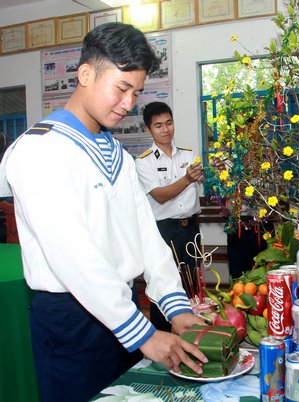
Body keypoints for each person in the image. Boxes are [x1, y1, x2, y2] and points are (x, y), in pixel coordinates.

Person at [0, 22, 206, 402]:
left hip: (121, 311)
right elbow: (72, 255)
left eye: (137, 92)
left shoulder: (119, 157)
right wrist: (142, 332)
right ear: (85, 74)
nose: (128, 104)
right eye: (122, 88)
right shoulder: (39, 151)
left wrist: (175, 305)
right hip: (73, 320)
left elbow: (147, 236)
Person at [135, 101, 203, 331]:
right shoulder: (143, 162)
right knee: (164, 284)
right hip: (164, 231)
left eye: (169, 123)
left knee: (193, 284)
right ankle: (163, 334)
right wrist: (187, 179)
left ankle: (193, 334)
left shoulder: (188, 154)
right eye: (158, 125)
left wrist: (214, 171)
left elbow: (204, 181)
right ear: (148, 129)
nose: (166, 130)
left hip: (191, 228)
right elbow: (161, 196)